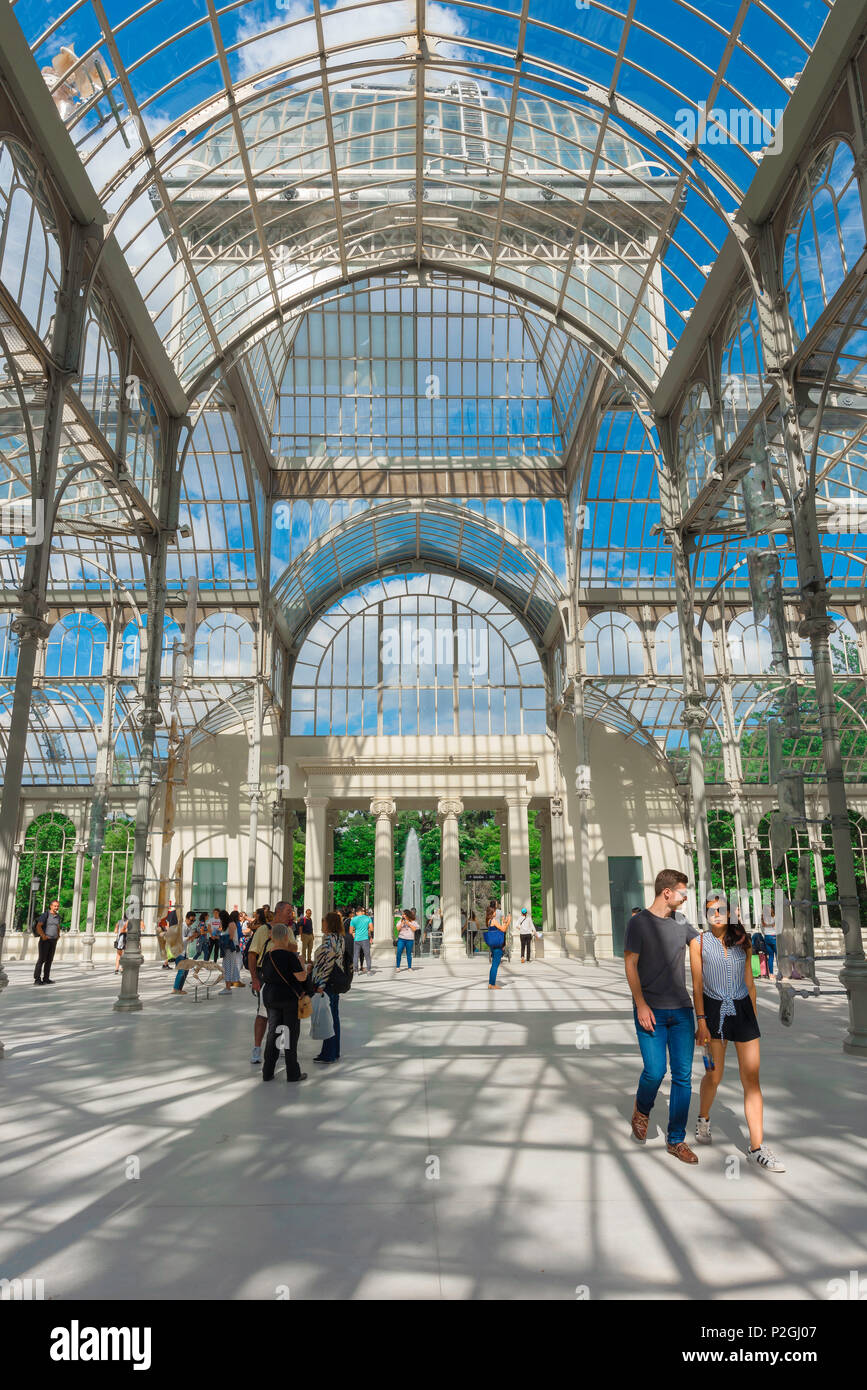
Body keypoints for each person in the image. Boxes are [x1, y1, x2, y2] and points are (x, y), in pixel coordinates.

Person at [690, 896, 785, 1172]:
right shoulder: (697, 943)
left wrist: (752, 1017)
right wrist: (701, 1022)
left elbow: (750, 983)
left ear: (731, 913)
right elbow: (697, 986)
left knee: (751, 1079)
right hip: (713, 1012)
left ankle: (756, 1147)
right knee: (714, 1075)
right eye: (710, 910)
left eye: (721, 910)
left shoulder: (743, 942)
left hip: (742, 1012)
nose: (716, 914)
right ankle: (703, 1118)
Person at [624, 868, 700, 1164]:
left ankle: (677, 1140)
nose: (685, 897)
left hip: (681, 1010)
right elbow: (631, 965)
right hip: (650, 1008)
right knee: (655, 1071)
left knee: (683, 1077)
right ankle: (642, 1109)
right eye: (682, 892)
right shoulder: (639, 923)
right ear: (667, 892)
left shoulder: (682, 922)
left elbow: (703, 944)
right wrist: (640, 1004)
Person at [248, 901, 297, 1065]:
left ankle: (281, 1046)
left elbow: (294, 948)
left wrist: (282, 943)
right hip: (267, 976)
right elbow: (252, 954)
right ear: (279, 911)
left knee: (284, 1014)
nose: (291, 914)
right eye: (289, 911)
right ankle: (257, 1048)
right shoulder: (263, 930)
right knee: (263, 1014)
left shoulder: (288, 930)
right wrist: (254, 978)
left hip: (285, 976)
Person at [260, 921, 309, 1083]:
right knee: (290, 1034)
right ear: (287, 936)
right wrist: (303, 965)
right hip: (289, 998)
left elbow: (264, 976)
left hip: (271, 997)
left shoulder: (268, 956)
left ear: (272, 937)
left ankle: (267, 1071)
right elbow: (301, 977)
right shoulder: (290, 956)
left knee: (273, 1033)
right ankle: (293, 1072)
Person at [312, 910, 350, 1063]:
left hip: (327, 983)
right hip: (336, 982)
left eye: (323, 922)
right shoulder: (340, 938)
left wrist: (320, 984)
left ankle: (328, 1053)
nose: (322, 925)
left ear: (329, 924)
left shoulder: (329, 940)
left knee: (328, 1019)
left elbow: (327, 964)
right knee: (334, 1017)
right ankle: (334, 1050)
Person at [33, 899, 62, 985]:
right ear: (51, 906)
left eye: (57, 906)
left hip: (53, 940)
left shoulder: (58, 916)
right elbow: (39, 926)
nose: (56, 907)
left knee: (49, 960)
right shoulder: (45, 915)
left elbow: (58, 926)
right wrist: (43, 936)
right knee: (41, 959)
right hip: (45, 940)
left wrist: (58, 935)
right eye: (55, 906)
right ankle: (37, 979)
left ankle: (46, 978)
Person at [172, 911, 200, 995]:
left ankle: (179, 989)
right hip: (178, 952)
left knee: (185, 970)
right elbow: (181, 939)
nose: (192, 922)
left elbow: (189, 941)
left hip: (184, 952)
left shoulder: (190, 928)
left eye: (194, 921)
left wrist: (194, 937)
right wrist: (190, 937)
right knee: (182, 970)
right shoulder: (182, 927)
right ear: (186, 918)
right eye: (191, 920)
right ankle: (175, 989)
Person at [485, 900, 510, 988]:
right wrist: (508, 922)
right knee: (495, 964)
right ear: (493, 913)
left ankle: (490, 983)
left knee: (494, 964)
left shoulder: (488, 921)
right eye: (495, 911)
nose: (496, 912)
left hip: (492, 944)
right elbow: (503, 929)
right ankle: (492, 984)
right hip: (497, 945)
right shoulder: (494, 921)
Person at [217, 909, 243, 994]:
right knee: (226, 967)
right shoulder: (226, 924)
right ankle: (229, 985)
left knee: (228, 967)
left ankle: (228, 988)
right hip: (226, 949)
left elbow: (231, 937)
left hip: (230, 949)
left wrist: (221, 938)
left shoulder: (231, 924)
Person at [350, 904, 373, 973]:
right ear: (361, 911)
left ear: (357, 912)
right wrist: (367, 930)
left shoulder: (353, 919)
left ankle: (356, 971)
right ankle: (369, 970)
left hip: (356, 939)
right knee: (367, 955)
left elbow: (350, 931)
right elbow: (371, 929)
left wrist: (354, 933)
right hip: (365, 939)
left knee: (356, 955)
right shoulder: (368, 918)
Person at [762, 902, 778, 977]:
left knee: (771, 956)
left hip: (766, 937)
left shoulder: (762, 918)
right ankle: (780, 973)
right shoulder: (774, 917)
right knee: (777, 955)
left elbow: (762, 929)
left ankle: (771, 974)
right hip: (773, 937)